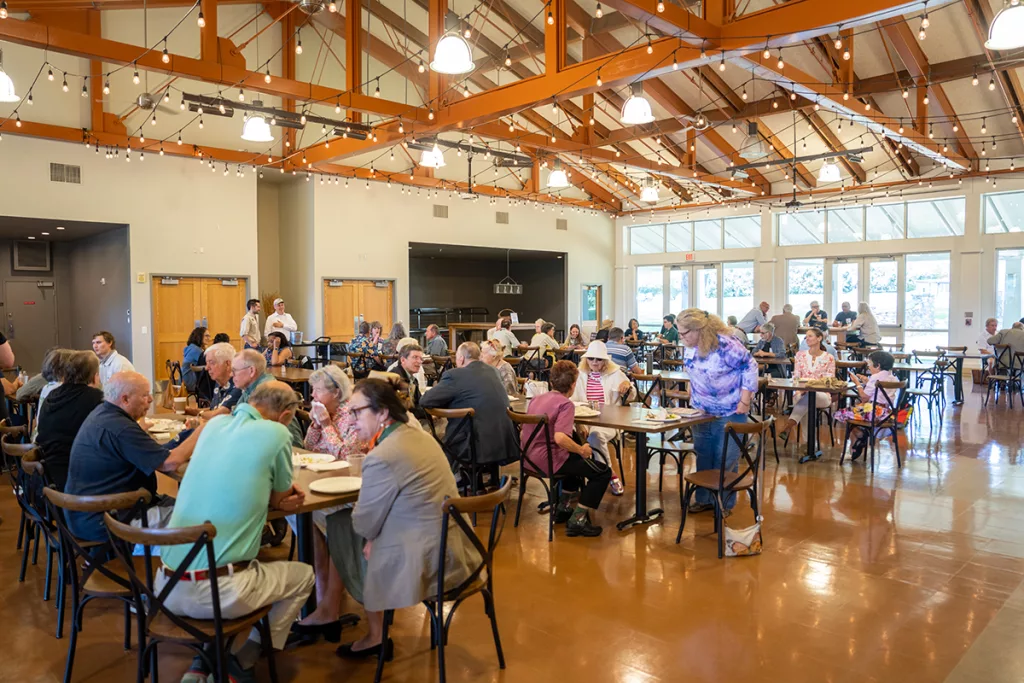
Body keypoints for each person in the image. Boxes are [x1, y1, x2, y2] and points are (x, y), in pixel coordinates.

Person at [157, 381, 313, 683]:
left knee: (220, 558)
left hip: (166, 586)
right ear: (284, 416)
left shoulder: (214, 425)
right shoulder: (277, 432)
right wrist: (279, 492)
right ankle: (241, 663)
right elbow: (281, 498)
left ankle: (203, 661)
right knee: (303, 576)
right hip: (219, 593)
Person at [330, 379, 481, 659]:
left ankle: (371, 632)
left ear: (383, 413)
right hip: (462, 550)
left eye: (357, 412)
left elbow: (363, 524)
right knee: (356, 530)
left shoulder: (383, 455)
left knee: (340, 526)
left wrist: (373, 536)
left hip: (431, 564)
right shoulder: (420, 436)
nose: (351, 421)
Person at [65, 371, 204, 541]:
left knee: (191, 505)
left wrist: (185, 436)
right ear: (125, 399)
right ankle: (186, 565)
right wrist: (202, 431)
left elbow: (154, 453)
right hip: (109, 519)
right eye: (145, 395)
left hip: (87, 513)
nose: (151, 400)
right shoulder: (121, 428)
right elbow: (170, 463)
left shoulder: (103, 414)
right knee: (203, 517)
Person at [290, 366, 366, 639]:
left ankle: (327, 601)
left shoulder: (351, 415)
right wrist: (315, 423)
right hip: (321, 485)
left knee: (325, 521)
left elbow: (349, 455)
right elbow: (310, 448)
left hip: (349, 492)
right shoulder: (325, 413)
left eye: (317, 389)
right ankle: (324, 595)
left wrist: (326, 425)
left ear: (335, 392)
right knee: (303, 518)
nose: (312, 394)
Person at [676, 309, 758, 515]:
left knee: (725, 457)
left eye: (684, 333)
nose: (681, 337)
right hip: (702, 408)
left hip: (731, 408)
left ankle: (724, 503)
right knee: (703, 454)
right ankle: (704, 498)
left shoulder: (725, 344)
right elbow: (695, 369)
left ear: (698, 330)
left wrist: (745, 400)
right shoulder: (690, 346)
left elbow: (750, 366)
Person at [523, 360, 610, 537]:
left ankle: (562, 509)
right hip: (549, 460)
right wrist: (581, 449)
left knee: (574, 464)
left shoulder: (536, 399)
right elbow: (560, 437)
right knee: (602, 472)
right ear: (572, 385)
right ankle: (577, 519)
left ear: (552, 381)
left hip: (528, 459)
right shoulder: (565, 404)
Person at [420, 342, 518, 474]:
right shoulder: (493, 370)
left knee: (438, 438)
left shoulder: (455, 375)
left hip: (474, 444)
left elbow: (426, 400)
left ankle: (448, 480)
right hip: (504, 441)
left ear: (460, 358)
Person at [570, 341, 636, 496]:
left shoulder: (616, 374)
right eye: (591, 358)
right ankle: (571, 482)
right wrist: (579, 423)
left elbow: (631, 396)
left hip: (608, 420)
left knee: (596, 436)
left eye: (598, 359)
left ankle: (609, 474)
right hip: (583, 419)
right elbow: (572, 400)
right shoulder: (579, 375)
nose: (594, 362)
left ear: (605, 360)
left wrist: (628, 385)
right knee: (566, 434)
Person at [35, 351, 103, 491]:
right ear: (95, 377)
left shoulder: (53, 394)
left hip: (46, 475)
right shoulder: (94, 398)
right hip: (75, 479)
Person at [835, 351, 899, 462]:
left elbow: (864, 397)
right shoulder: (893, 378)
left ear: (877, 365)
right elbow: (879, 390)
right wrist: (867, 381)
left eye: (870, 364)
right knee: (854, 414)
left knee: (842, 414)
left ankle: (858, 441)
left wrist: (857, 383)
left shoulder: (875, 378)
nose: (868, 366)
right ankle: (861, 437)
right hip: (886, 413)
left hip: (873, 413)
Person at [777, 328, 836, 442]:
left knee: (808, 398)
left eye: (810, 336)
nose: (807, 338)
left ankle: (789, 424)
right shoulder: (800, 355)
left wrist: (810, 387)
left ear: (819, 338)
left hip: (823, 395)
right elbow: (796, 377)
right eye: (806, 336)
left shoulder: (829, 357)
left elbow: (829, 380)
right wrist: (803, 388)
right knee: (807, 402)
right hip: (801, 393)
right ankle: (808, 445)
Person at [194, 342, 241, 420]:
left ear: (227, 364)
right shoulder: (219, 382)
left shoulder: (238, 385)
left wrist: (199, 414)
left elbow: (217, 415)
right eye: (207, 363)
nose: (206, 368)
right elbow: (213, 409)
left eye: (211, 363)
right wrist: (189, 410)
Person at [386, 344, 428, 417]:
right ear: (403, 360)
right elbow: (404, 410)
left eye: (421, 358)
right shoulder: (396, 378)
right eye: (415, 357)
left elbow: (419, 402)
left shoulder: (413, 379)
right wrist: (430, 413)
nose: (419, 361)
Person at [181, 326, 211, 396]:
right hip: (190, 382)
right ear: (199, 336)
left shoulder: (191, 347)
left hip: (184, 380)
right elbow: (207, 361)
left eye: (209, 336)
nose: (208, 338)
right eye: (206, 336)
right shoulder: (196, 350)